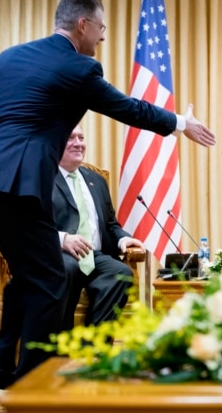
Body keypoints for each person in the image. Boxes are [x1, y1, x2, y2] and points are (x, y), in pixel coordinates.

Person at [0, 0, 215, 389]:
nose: (102, 38)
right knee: (52, 276)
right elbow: (128, 108)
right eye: (102, 28)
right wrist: (179, 122)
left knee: (29, 272)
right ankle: (32, 379)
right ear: (84, 25)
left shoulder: (9, 56)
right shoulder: (80, 67)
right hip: (17, 182)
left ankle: (4, 363)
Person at [54, 125, 144, 331]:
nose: (78, 143)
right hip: (60, 255)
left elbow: (110, 224)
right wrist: (63, 239)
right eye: (70, 138)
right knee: (68, 269)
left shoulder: (96, 180)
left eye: (81, 138)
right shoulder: (42, 177)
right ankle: (59, 348)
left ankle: (93, 346)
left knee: (120, 272)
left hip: (94, 256)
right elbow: (31, 225)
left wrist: (123, 239)